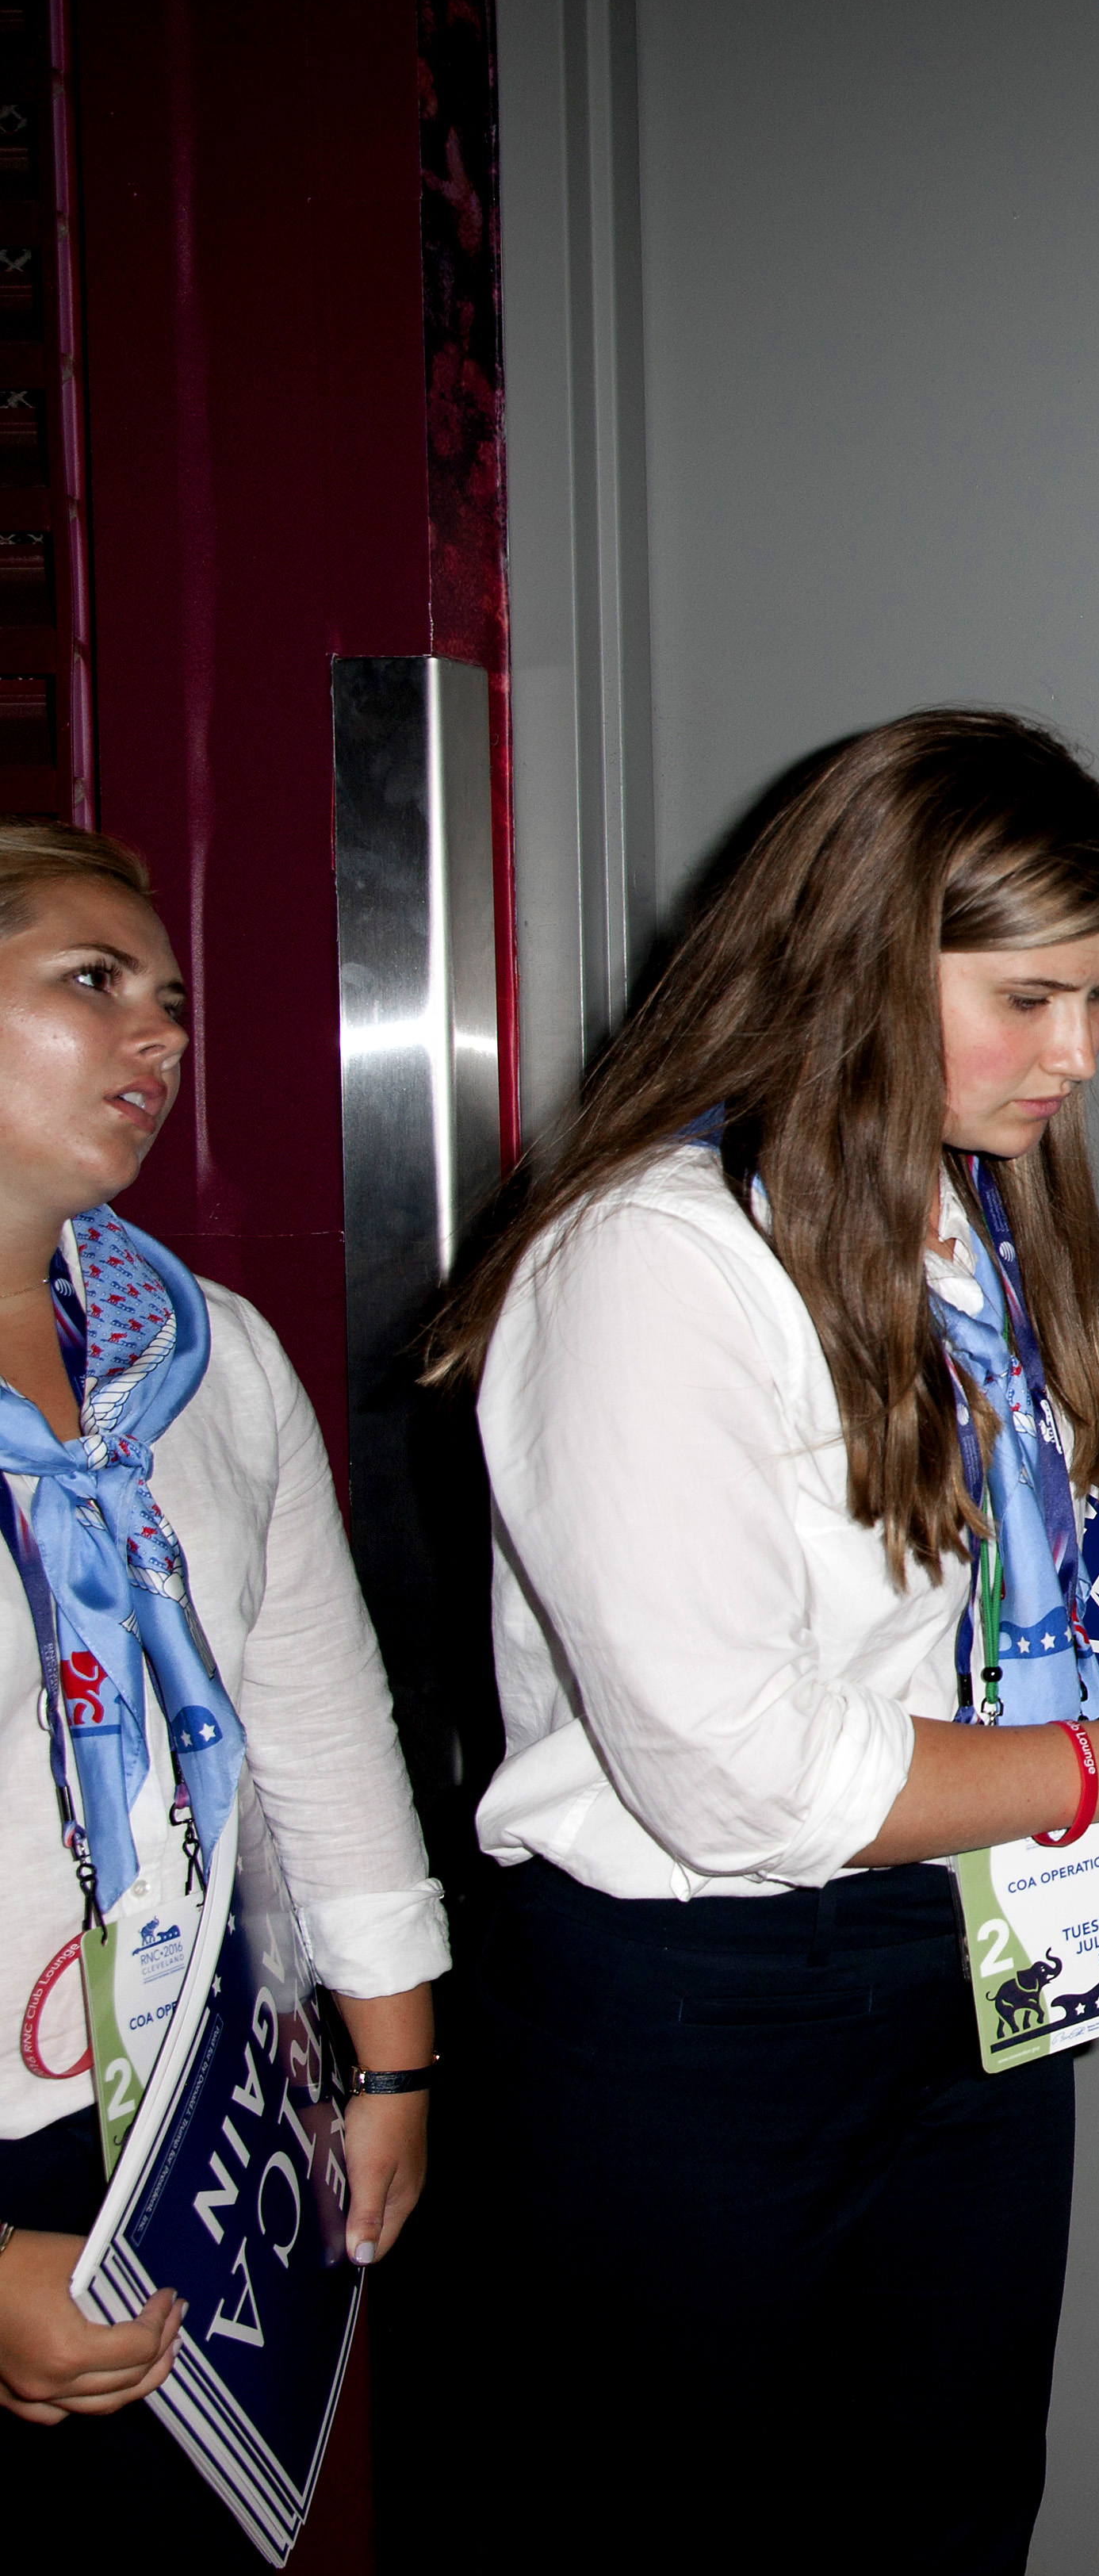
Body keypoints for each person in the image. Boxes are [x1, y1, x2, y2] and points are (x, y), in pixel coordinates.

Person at [429, 712, 1099, 2574]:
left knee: (942, 2520)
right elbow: (741, 1778)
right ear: (859, 957)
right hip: (695, 2006)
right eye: (1029, 995)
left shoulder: (969, 1222)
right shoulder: (653, 1257)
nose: (1078, 1056)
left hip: (959, 1941)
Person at [0, 822, 446, 2551]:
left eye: (173, 1000)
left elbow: (319, 1710)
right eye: (91, 984)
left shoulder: (208, 1351)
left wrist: (390, 2052)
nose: (163, 1040)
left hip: (198, 2104)